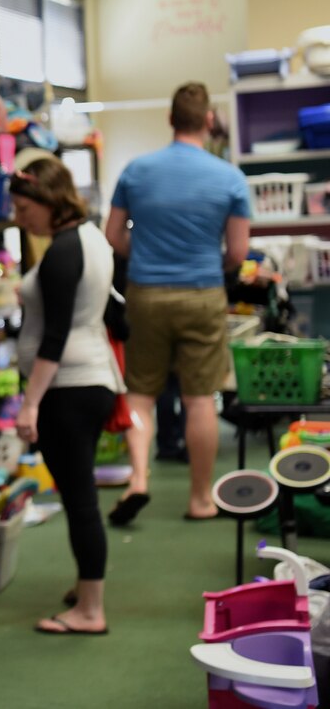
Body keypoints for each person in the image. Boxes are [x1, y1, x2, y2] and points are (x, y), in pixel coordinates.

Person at [104, 82, 251, 523]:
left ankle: (138, 481)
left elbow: (113, 236)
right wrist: (209, 263)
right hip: (203, 293)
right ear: (209, 121)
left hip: (145, 293)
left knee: (142, 395)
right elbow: (239, 254)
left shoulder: (136, 170)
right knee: (200, 398)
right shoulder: (230, 177)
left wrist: (145, 257)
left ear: (170, 119)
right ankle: (201, 499)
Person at [10, 157, 120, 636]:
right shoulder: (93, 239)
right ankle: (86, 586)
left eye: (24, 207)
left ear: (50, 201)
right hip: (93, 379)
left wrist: (30, 403)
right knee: (82, 495)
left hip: (67, 388)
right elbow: (120, 316)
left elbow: (53, 337)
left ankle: (91, 610)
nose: (19, 217)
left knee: (79, 499)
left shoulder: (62, 253)